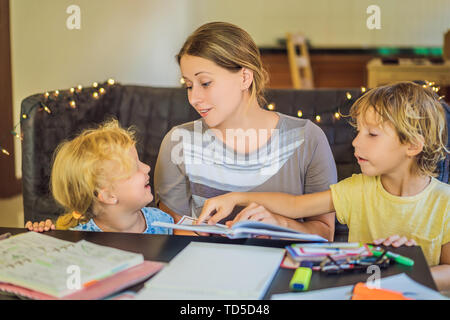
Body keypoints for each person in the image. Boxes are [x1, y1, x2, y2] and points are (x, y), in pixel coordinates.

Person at [197, 82, 450, 291]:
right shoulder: (358, 190)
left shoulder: (445, 203)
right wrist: (237, 197)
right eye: (358, 131)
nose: (355, 142)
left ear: (412, 146)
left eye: (372, 134)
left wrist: (402, 273)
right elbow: (295, 205)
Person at [154, 22, 337, 240]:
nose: (193, 98)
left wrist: (279, 223)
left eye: (205, 83)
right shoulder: (177, 142)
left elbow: (325, 233)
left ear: (244, 78)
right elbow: (168, 231)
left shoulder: (307, 138)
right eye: (189, 85)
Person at [25, 119, 173, 234]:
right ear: (108, 195)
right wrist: (44, 238)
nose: (147, 167)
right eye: (134, 167)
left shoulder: (163, 222)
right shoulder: (75, 241)